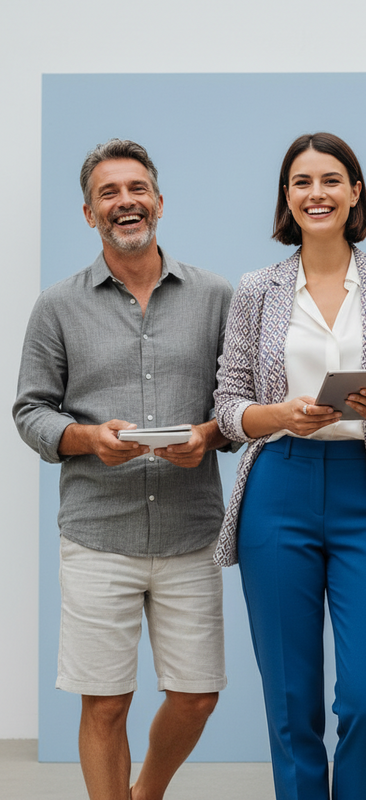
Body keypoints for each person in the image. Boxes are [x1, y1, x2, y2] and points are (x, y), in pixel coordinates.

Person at [213, 132, 366, 800]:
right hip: (279, 487)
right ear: (287, 197)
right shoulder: (258, 288)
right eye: (302, 182)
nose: (318, 193)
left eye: (331, 180)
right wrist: (280, 415)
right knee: (291, 698)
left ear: (355, 192)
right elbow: (228, 406)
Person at [13, 139, 231, 800]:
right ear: (89, 214)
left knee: (196, 695)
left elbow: (238, 404)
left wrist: (208, 435)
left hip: (191, 532)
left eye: (136, 189)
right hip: (96, 533)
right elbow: (30, 410)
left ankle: (147, 793)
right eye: (109, 193)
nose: (125, 202)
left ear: (159, 202)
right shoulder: (57, 306)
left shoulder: (216, 296)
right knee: (104, 704)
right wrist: (84, 436)